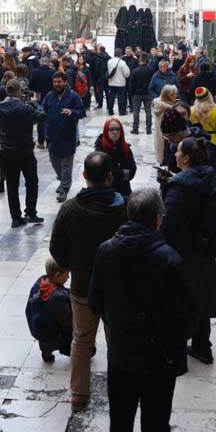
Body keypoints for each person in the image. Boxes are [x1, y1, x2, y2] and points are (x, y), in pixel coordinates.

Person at [89, 187, 196, 432]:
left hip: (122, 354)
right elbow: (188, 317)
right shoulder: (168, 259)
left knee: (120, 422)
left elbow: (95, 302)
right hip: (158, 360)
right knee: (154, 428)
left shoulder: (106, 251)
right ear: (157, 219)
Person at [48, 151, 129, 410]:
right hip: (116, 287)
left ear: (84, 176)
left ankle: (79, 394)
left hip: (83, 286)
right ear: (109, 178)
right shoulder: (123, 209)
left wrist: (74, 264)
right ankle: (119, 392)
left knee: (82, 339)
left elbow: (56, 249)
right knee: (117, 339)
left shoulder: (70, 209)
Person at [159, 137, 216, 364]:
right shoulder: (207, 177)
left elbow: (168, 221)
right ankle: (202, 346)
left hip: (182, 250)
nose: (174, 154)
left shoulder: (181, 186)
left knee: (180, 297)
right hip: (204, 246)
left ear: (185, 158)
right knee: (202, 295)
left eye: (177, 152)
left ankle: (177, 344)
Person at [0, 79, 44, 227]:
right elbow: (41, 117)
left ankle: (16, 217)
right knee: (32, 182)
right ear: (19, 91)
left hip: (7, 151)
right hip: (25, 150)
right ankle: (30, 212)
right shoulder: (25, 108)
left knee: (12, 185)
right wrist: (35, 103)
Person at [41, 71, 86, 203]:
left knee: (66, 165)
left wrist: (72, 112)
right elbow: (42, 108)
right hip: (52, 136)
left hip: (67, 136)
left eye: (59, 82)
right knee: (55, 162)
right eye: (55, 82)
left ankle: (64, 188)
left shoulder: (73, 96)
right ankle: (63, 181)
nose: (57, 84)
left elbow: (82, 112)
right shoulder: (49, 96)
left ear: (65, 82)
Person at [26, 257, 74, 363]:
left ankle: (46, 349)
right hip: (49, 331)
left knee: (46, 338)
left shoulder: (41, 281)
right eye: (67, 274)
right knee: (86, 348)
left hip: (37, 325)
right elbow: (66, 322)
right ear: (57, 275)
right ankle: (57, 345)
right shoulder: (58, 297)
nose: (68, 277)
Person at [94, 118, 137, 198]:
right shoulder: (100, 150)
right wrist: (123, 173)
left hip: (124, 191)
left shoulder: (125, 147)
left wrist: (116, 173)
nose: (115, 132)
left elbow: (133, 169)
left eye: (118, 129)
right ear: (106, 131)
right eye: (111, 129)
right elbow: (103, 172)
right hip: (106, 193)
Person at [151, 85, 179, 168]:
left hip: (170, 133)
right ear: (166, 96)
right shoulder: (163, 106)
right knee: (165, 153)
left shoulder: (172, 104)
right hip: (165, 134)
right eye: (172, 95)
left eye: (175, 94)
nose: (175, 96)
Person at [128, 55, 155, 135]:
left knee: (136, 112)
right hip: (148, 94)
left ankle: (135, 129)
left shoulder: (135, 71)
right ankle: (148, 129)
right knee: (148, 111)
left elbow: (131, 84)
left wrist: (130, 94)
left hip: (136, 94)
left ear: (141, 60)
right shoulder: (151, 70)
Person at [106, 50, 131, 116]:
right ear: (120, 54)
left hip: (111, 83)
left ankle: (110, 111)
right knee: (121, 98)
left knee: (111, 98)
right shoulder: (122, 63)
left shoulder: (109, 61)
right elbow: (127, 74)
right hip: (121, 83)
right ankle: (121, 111)